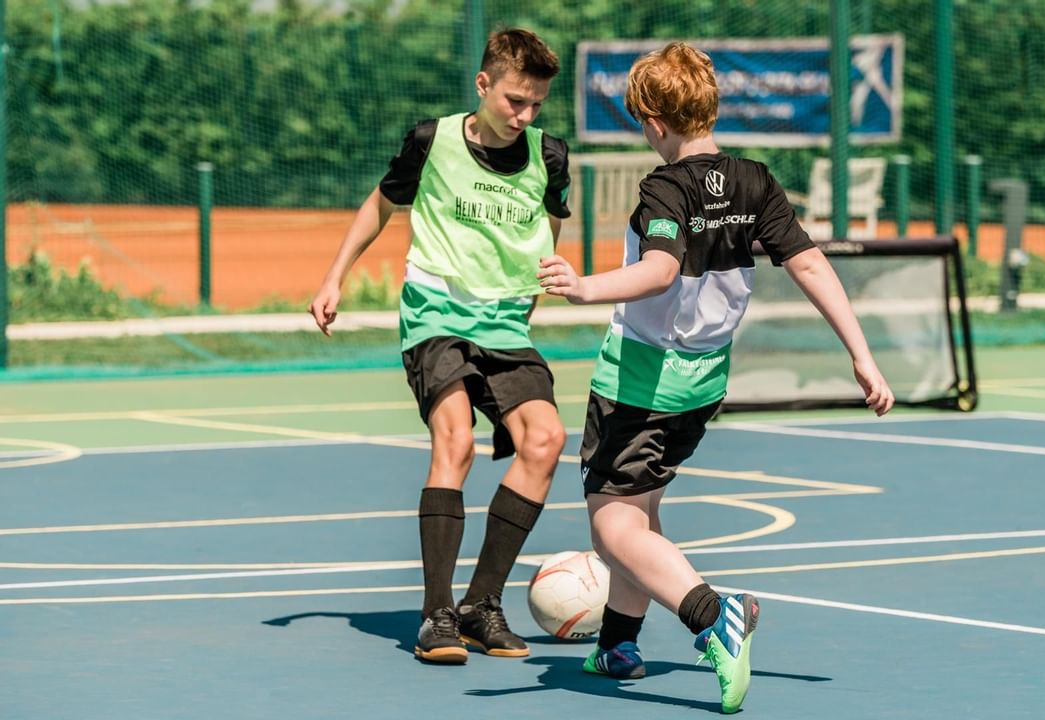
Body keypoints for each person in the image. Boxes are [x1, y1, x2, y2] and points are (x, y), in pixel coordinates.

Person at [536, 42, 894, 713]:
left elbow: (661, 270)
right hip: (703, 385)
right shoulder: (754, 180)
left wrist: (583, 288)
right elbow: (811, 264)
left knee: (613, 530)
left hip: (641, 382)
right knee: (640, 511)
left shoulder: (664, 188)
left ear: (652, 122)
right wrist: (862, 353)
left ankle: (711, 616)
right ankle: (618, 643)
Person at [308, 28, 571, 665]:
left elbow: (550, 230)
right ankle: (436, 615)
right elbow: (381, 203)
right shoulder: (433, 140)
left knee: (546, 439)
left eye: (535, 104)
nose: (524, 115)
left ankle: (483, 604)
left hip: (506, 327)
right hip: (436, 318)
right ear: (482, 86)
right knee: (453, 437)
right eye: (514, 100)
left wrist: (533, 296)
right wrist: (334, 274)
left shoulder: (550, 155)